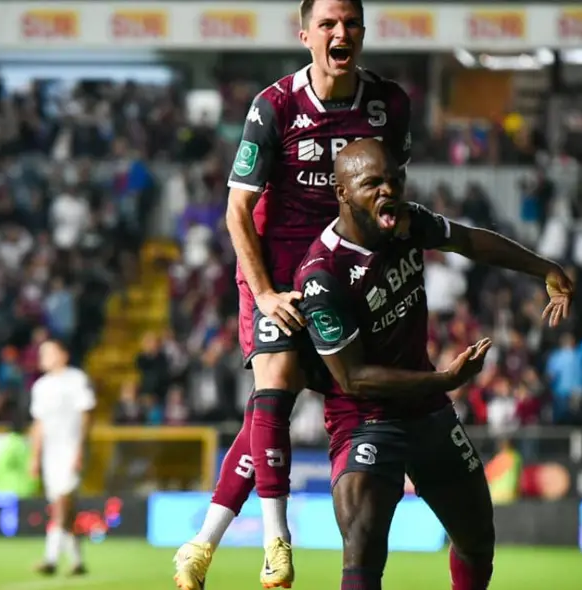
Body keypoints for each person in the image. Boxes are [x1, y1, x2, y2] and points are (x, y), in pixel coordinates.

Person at [174, 1, 412, 588]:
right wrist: (264, 293)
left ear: (362, 33)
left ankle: (202, 542)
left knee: (265, 422)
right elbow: (237, 210)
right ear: (306, 34)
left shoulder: (391, 106)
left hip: (343, 279)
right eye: (327, 23)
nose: (340, 32)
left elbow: (390, 200)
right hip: (275, 274)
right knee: (274, 387)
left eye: (350, 23)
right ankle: (277, 542)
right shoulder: (274, 106)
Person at [293, 139, 573, 590]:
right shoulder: (323, 275)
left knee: (478, 537)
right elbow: (354, 377)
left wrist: (543, 268)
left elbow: (467, 240)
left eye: (394, 179)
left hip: (427, 410)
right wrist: (444, 379)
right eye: (372, 184)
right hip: (366, 421)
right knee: (363, 550)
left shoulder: (407, 224)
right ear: (341, 192)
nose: (389, 190)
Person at [29, 339, 96, 576]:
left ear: (63, 355)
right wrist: (35, 457)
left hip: (70, 449)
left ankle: (51, 558)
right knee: (65, 509)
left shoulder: (76, 380)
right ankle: (77, 562)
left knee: (62, 503)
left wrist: (80, 449)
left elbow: (86, 416)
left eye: (48, 352)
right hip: (50, 453)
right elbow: (38, 424)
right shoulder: (40, 387)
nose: (43, 356)